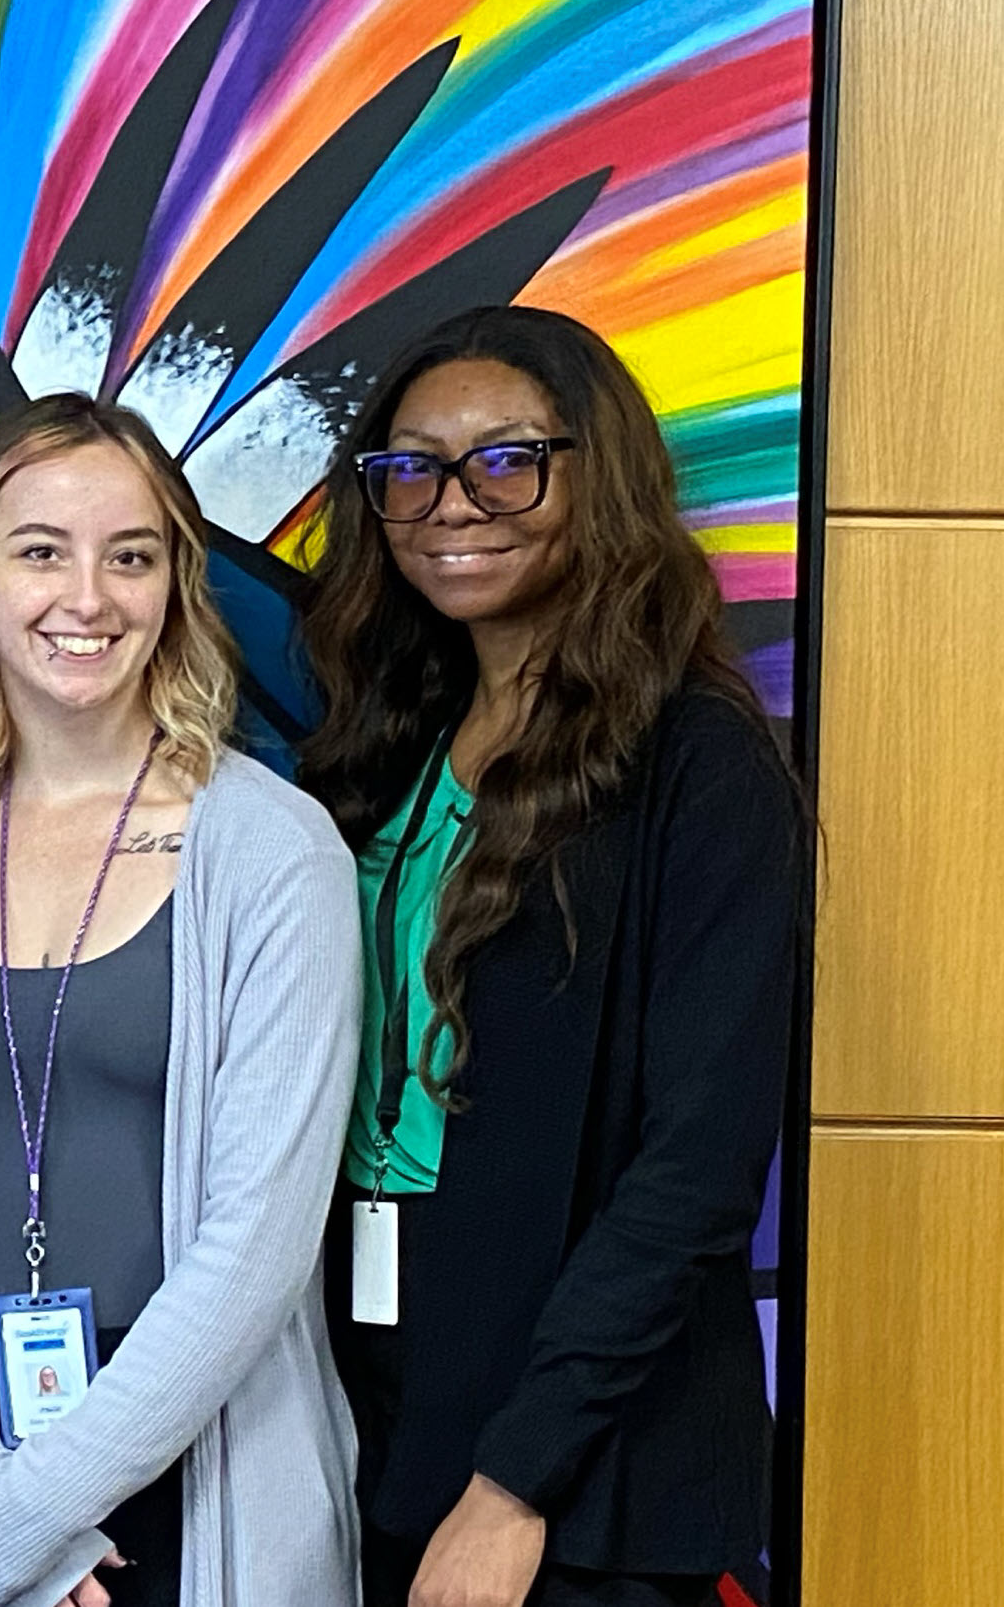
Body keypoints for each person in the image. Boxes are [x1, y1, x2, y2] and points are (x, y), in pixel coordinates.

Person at [298, 307, 806, 1607]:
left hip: (581, 1457)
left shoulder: (694, 762)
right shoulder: (378, 746)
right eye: (406, 466)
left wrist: (513, 1481)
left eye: (504, 457)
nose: (448, 501)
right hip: (366, 1384)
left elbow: (693, 1167)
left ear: (602, 476)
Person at [0, 394, 362, 1607]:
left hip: (199, 1461)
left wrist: (39, 1504)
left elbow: (261, 1244)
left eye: (131, 556)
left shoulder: (276, 854)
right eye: (41, 552)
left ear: (176, 584)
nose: (89, 598)